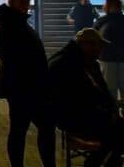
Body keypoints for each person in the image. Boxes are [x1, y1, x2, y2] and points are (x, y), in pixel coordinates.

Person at [0, 0, 55, 166]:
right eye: (24, 2)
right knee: (32, 129)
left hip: (23, 87)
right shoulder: (12, 26)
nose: (26, 6)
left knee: (21, 130)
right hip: (26, 88)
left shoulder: (13, 24)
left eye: (27, 2)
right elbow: (16, 58)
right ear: (13, 2)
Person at [48, 28, 124, 167]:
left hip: (86, 114)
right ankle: (99, 162)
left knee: (119, 130)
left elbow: (102, 93)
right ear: (86, 45)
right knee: (119, 132)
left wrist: (111, 108)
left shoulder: (87, 62)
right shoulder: (67, 64)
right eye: (98, 46)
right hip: (73, 118)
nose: (100, 50)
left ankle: (101, 161)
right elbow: (76, 100)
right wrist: (106, 113)